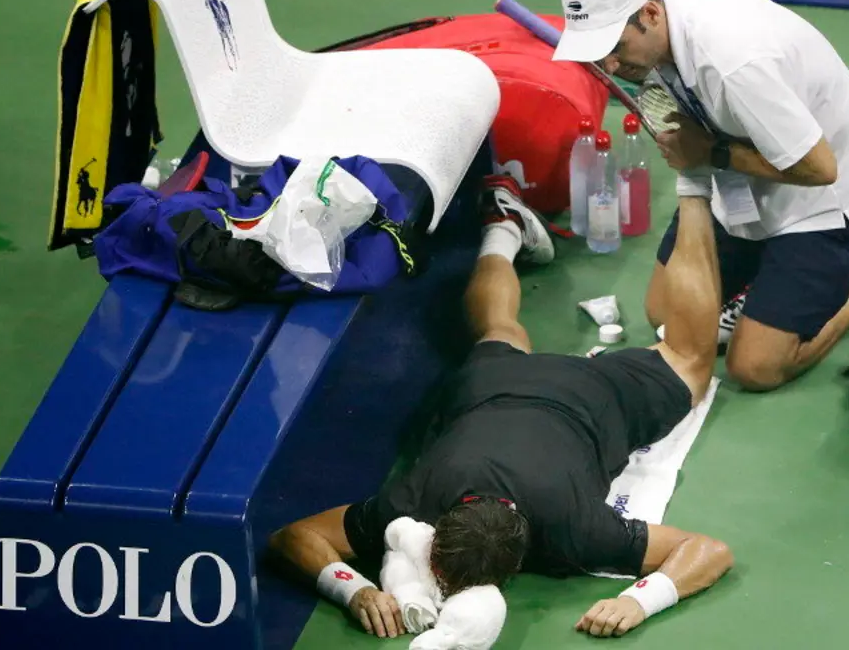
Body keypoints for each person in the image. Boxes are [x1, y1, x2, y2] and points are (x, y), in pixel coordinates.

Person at [269, 172, 734, 640]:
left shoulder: (573, 530)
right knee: (676, 355)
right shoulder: (421, 504)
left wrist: (640, 600)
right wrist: (353, 590)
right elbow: (704, 549)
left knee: (513, 330)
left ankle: (518, 224)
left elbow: (296, 536)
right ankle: (673, 192)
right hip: (522, 388)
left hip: (565, 388)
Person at [551, 0, 849, 392]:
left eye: (615, 48)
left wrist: (708, 154)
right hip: (739, 172)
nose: (610, 67)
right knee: (667, 317)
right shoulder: (652, 17)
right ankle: (769, 287)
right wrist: (701, 161)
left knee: (754, 368)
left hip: (822, 196)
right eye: (596, 54)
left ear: (650, 14)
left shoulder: (735, 62)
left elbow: (820, 168)